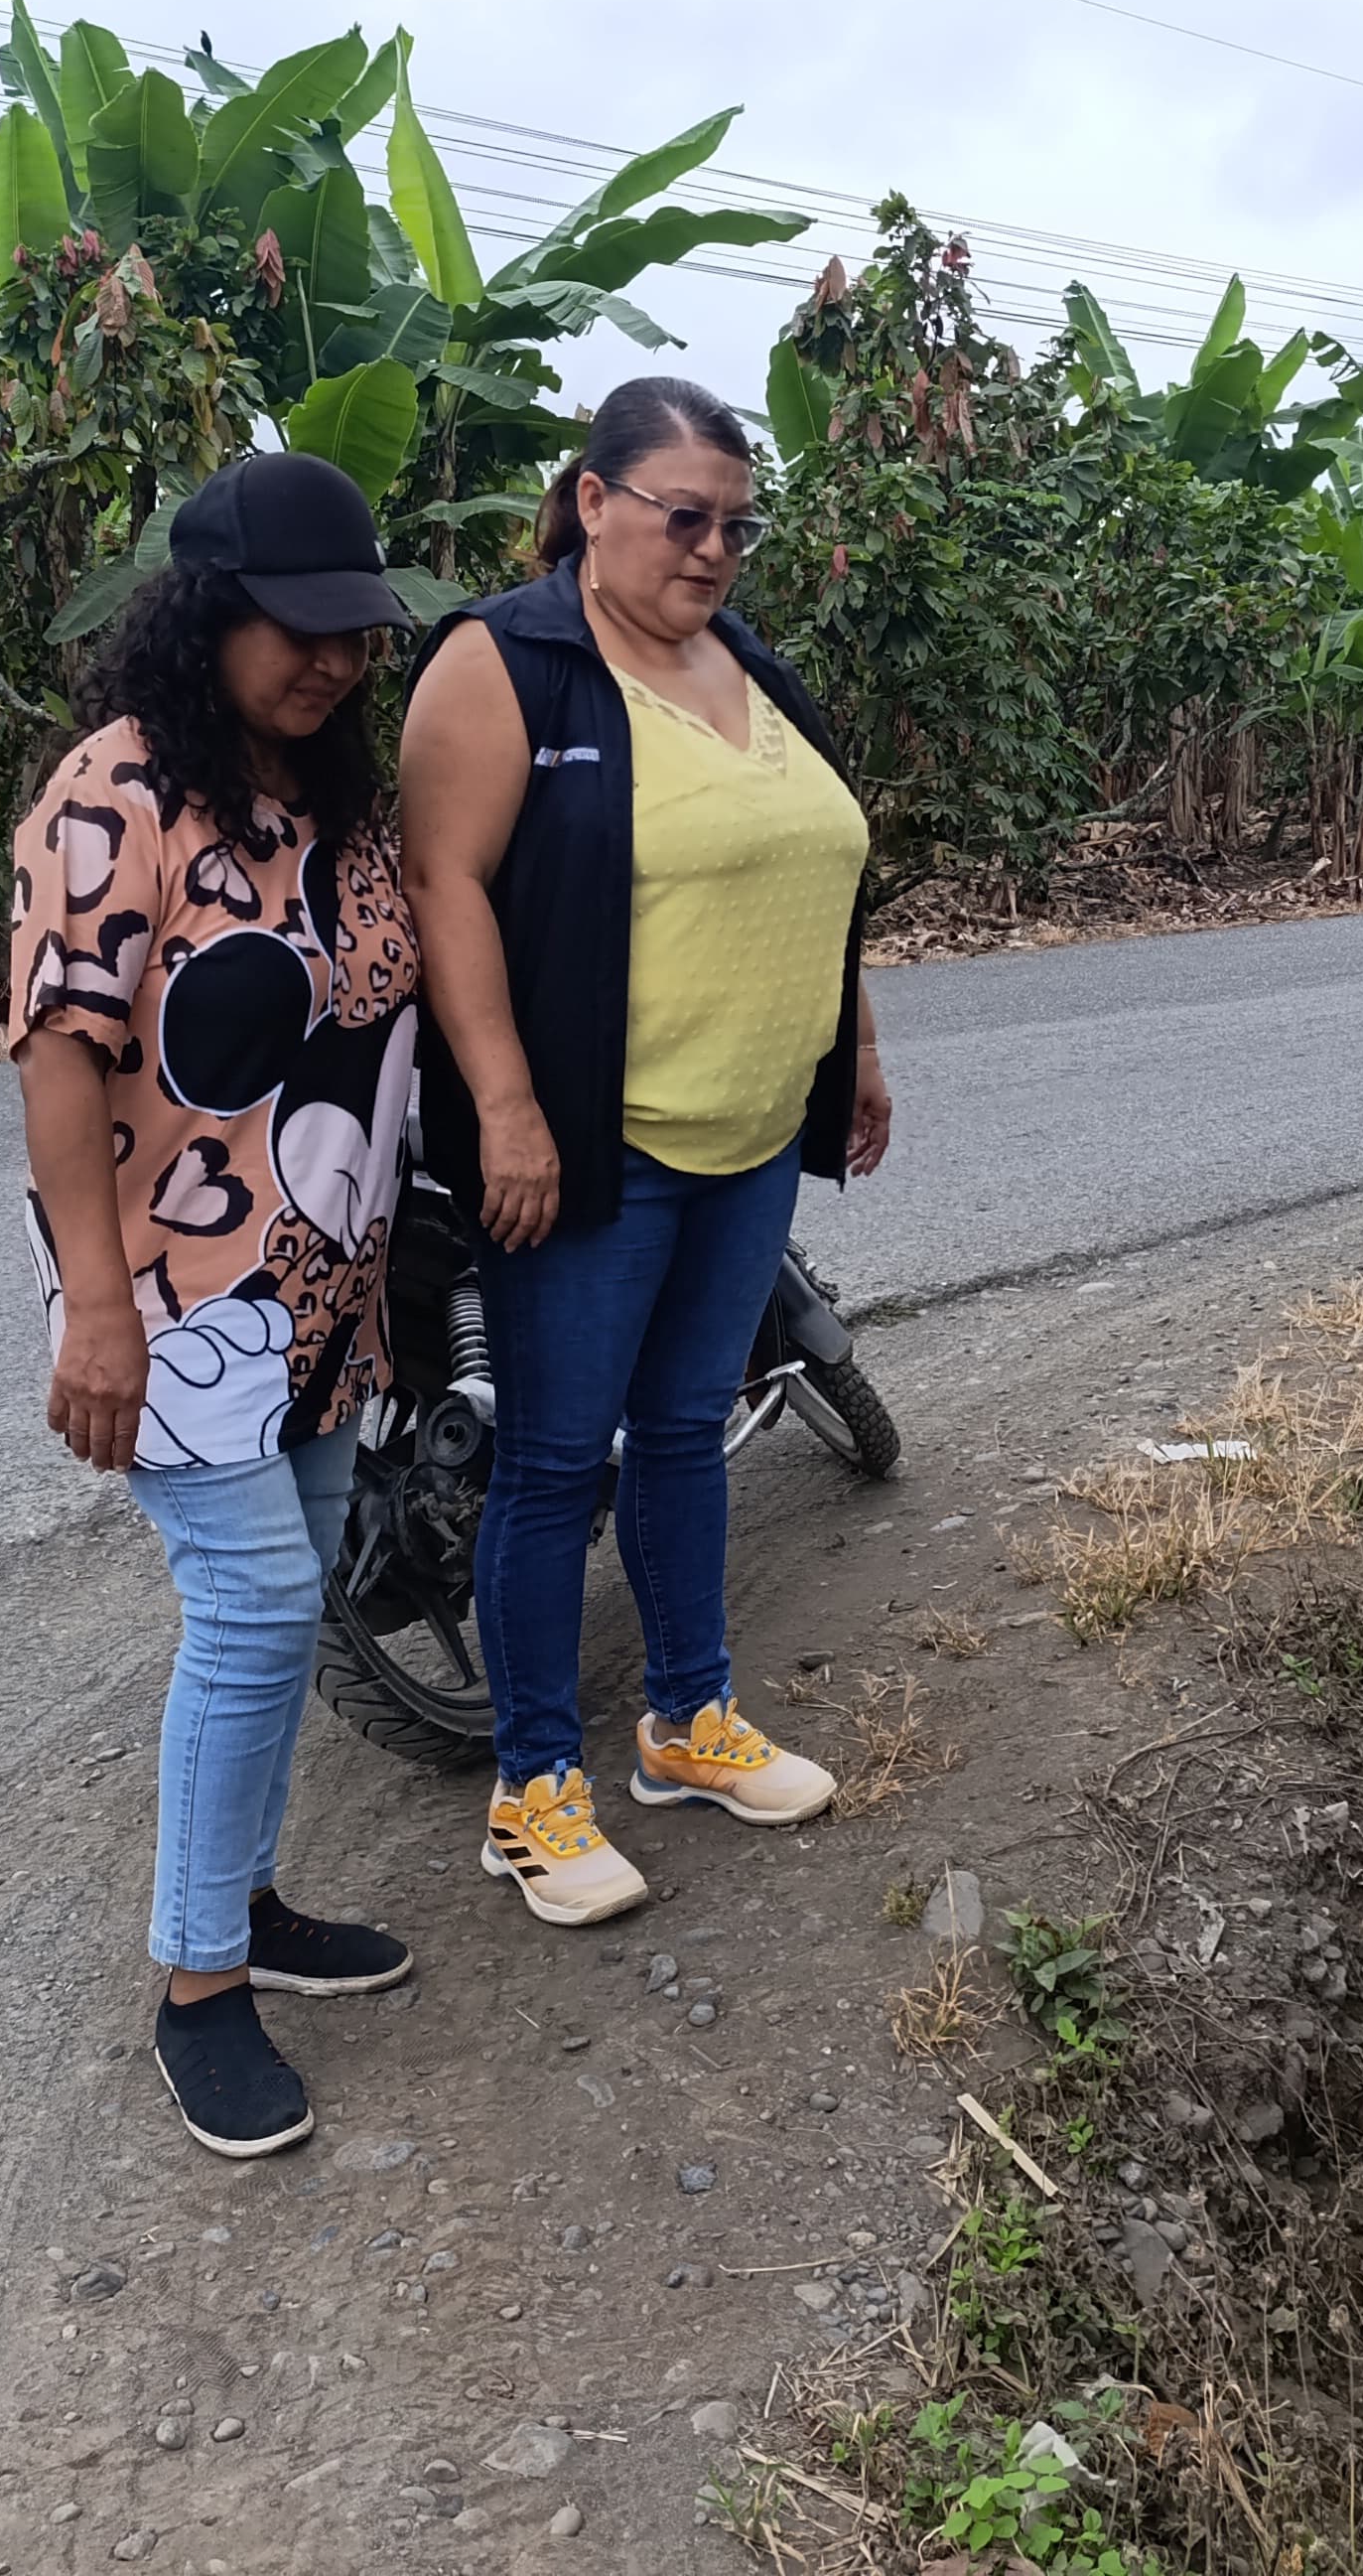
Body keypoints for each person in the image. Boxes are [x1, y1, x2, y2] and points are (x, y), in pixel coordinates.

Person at [398, 374, 892, 1928]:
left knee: (684, 1427)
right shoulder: (506, 663)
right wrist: (506, 1109)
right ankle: (533, 1792)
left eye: (738, 525)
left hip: (751, 1133)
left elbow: (810, 868)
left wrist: (854, 1046)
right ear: (595, 501)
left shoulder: (747, 660)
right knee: (556, 1461)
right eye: (687, 518)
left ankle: (688, 1720)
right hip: (594, 1146)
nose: (716, 550)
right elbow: (443, 884)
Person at [7, 448, 427, 2162]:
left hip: (323, 1281)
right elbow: (61, 1053)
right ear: (205, 614)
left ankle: (245, 1900)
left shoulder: (332, 797)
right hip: (176, 1295)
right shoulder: (118, 792)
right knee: (252, 1611)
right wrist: (95, 1309)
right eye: (294, 627)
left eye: (354, 632)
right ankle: (197, 1985)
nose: (331, 659)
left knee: (294, 1595)